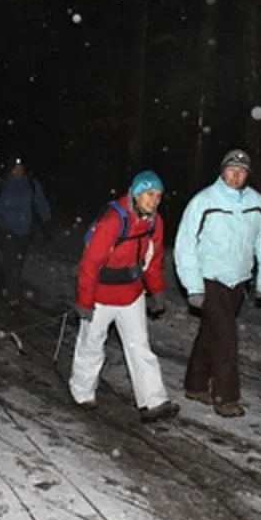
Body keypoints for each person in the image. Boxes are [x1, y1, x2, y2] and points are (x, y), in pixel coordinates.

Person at [174, 148, 261, 418]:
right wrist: (193, 286)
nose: (236, 175)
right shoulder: (204, 201)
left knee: (211, 333)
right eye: (232, 170)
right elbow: (185, 245)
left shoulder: (257, 203)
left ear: (248, 175)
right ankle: (226, 396)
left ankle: (195, 385)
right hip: (210, 279)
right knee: (226, 337)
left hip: (238, 282)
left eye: (242, 171)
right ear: (222, 171)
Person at [70, 171, 178, 422]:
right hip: (100, 296)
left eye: (159, 196)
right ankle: (83, 392)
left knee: (139, 346)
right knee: (91, 344)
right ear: (137, 193)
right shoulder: (112, 222)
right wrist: (85, 301)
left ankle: (153, 401)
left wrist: (157, 290)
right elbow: (90, 263)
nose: (155, 201)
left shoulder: (155, 223)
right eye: (150, 194)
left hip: (131, 294)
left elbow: (153, 260)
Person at [0, 157, 53, 306]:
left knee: (17, 262)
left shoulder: (31, 184)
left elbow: (40, 202)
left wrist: (47, 222)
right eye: (15, 167)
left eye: (20, 167)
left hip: (24, 230)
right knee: (11, 260)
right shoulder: (1, 184)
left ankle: (6, 284)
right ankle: (13, 296)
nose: (18, 170)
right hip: (5, 228)